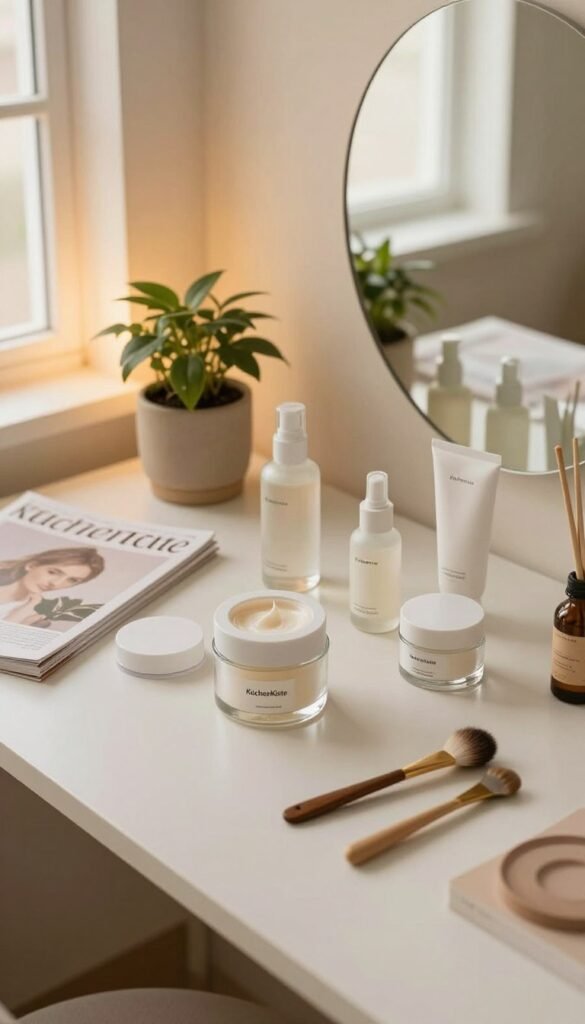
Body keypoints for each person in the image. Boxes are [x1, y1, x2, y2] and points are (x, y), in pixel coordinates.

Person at [0, 547, 104, 627]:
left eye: (72, 580)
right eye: (53, 572)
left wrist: (22, 614)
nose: (56, 583)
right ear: (32, 565)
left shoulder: (36, 618)